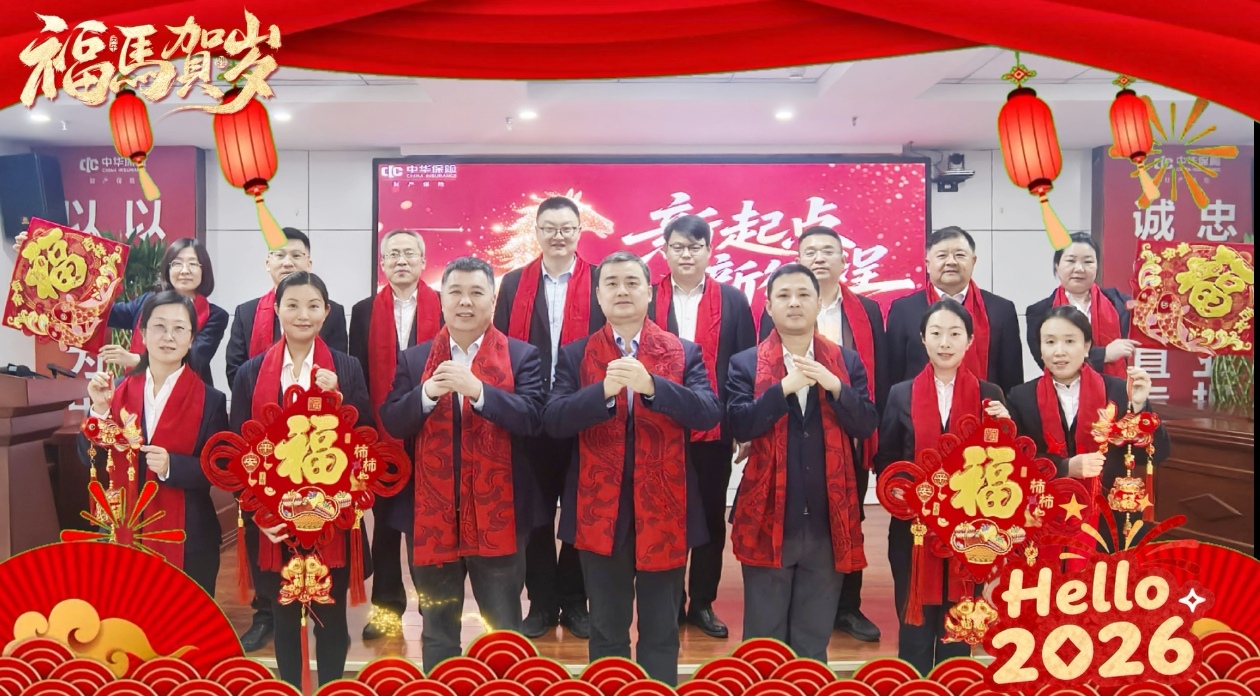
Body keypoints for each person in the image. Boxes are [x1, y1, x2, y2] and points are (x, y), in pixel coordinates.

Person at [542, 251, 721, 685]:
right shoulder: (576, 354)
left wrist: (653, 387)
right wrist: (602, 391)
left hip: (666, 511)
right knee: (606, 630)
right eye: (612, 283)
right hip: (599, 513)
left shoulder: (685, 352)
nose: (622, 291)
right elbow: (554, 420)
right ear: (598, 295)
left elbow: (708, 412)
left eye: (631, 282)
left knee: (661, 631)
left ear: (649, 292)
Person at [379, 257, 546, 671]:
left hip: (501, 514)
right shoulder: (416, 359)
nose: (465, 302)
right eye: (455, 292)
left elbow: (533, 419)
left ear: (493, 300)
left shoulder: (522, 355)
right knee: (437, 628)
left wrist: (479, 391)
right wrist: (427, 394)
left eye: (476, 293)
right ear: (442, 300)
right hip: (430, 516)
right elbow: (393, 421)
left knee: (503, 628)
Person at [728, 264, 878, 662]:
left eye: (803, 295)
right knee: (764, 642)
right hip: (768, 516)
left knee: (812, 644)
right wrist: (783, 389)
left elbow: (866, 423)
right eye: (784, 295)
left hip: (828, 519)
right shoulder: (745, 363)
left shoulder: (846, 362)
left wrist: (835, 386)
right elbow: (740, 424)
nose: (794, 303)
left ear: (818, 302)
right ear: (768, 306)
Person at [229, 271, 370, 689]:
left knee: (331, 618)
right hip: (273, 521)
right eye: (292, 305)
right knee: (285, 618)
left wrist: (341, 400)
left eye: (313, 306)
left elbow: (366, 441)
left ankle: (332, 688)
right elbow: (238, 452)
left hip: (332, 519)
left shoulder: (347, 367)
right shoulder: (251, 373)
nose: (302, 314)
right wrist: (260, 515)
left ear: (327, 312)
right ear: (277, 309)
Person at [758, 225, 887, 642]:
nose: (819, 257)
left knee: (846, 522)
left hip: (845, 441)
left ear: (844, 261)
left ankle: (845, 607)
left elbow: (874, 385)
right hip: (784, 442)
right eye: (810, 250)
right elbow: (757, 380)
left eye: (828, 250)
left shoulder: (865, 314)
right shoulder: (775, 318)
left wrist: (840, 391)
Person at [224, 227, 348, 651]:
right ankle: (272, 623)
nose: (303, 314)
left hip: (322, 472)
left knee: (328, 597)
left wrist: (332, 401)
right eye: (279, 254)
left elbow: (351, 400)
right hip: (267, 468)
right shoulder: (248, 338)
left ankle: (324, 631)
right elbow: (237, 385)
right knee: (274, 575)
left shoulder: (338, 339)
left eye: (312, 306)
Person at [874, 299, 1009, 677]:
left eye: (954, 334)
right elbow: (886, 460)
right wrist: (909, 496)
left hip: (973, 534)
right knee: (914, 629)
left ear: (970, 340)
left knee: (959, 627)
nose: (945, 342)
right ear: (923, 339)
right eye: (936, 333)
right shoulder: (901, 393)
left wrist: (1006, 426)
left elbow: (1004, 467)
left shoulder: (990, 395)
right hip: (914, 532)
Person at [493, 196, 605, 639]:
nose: (559, 236)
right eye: (550, 228)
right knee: (535, 512)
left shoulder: (599, 280)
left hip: (584, 413)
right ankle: (541, 603)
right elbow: (499, 346)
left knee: (581, 510)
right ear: (537, 232)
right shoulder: (513, 283)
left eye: (567, 228)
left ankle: (575, 602)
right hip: (530, 414)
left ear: (579, 231)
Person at [648, 214, 755, 639]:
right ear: (665, 251)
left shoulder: (733, 300)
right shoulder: (648, 297)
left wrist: (743, 425)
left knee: (710, 517)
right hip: (659, 428)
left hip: (714, 429)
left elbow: (745, 363)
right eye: (678, 247)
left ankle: (703, 603)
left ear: (709, 251)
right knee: (665, 516)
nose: (686, 255)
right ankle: (669, 602)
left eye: (695, 247)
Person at [81, 291, 229, 594]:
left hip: (189, 538)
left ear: (191, 338)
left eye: (179, 328)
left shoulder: (211, 400)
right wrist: (98, 411)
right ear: (144, 333)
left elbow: (220, 468)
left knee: (188, 619)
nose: (169, 336)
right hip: (122, 531)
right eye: (159, 326)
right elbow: (89, 459)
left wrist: (173, 466)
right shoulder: (114, 392)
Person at [348, 229, 441, 641]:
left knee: (430, 527)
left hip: (433, 433)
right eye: (393, 254)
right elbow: (357, 375)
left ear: (423, 261)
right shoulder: (364, 310)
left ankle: (435, 610)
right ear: (382, 263)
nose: (401, 260)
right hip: (381, 436)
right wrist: (364, 432)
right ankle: (386, 612)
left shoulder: (444, 304)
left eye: (409, 253)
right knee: (385, 527)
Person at [1008, 306, 1168, 535]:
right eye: (1050, 342)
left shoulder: (1120, 391)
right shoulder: (1021, 397)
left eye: (1070, 341)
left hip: (1109, 520)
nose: (1059, 351)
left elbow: (1156, 455)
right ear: (1040, 349)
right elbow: (1015, 459)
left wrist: (1140, 407)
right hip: (1044, 518)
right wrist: (1065, 467)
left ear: (1086, 347)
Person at [10, 234, 228, 387]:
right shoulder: (146, 303)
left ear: (204, 271)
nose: (185, 270)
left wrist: (137, 360)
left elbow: (196, 359)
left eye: (193, 264)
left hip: (188, 396)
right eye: (177, 263)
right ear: (167, 269)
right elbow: (98, 311)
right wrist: (40, 262)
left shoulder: (215, 315)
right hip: (137, 389)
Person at [886, 226, 1023, 394]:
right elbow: (893, 374)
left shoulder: (1001, 310)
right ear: (928, 264)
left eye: (959, 255)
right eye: (942, 255)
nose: (951, 262)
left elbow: (1011, 379)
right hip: (917, 407)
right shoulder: (903, 310)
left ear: (973, 261)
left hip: (985, 407)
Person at [1025, 232, 1135, 377]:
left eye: (1088, 262)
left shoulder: (1120, 303)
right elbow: (1047, 360)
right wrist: (1104, 354)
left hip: (1113, 387)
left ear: (1097, 266)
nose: (1079, 269)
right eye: (1071, 261)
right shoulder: (1040, 311)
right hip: (1063, 388)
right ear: (1057, 266)